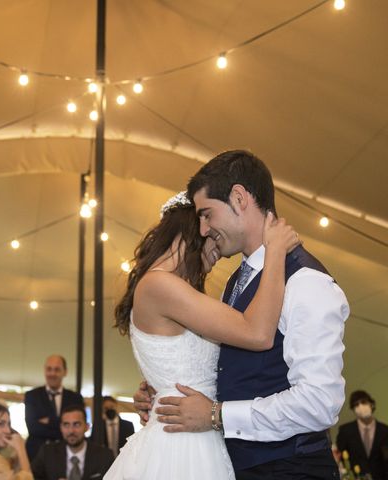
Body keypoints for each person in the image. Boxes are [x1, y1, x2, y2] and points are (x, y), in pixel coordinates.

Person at [133, 150, 349, 479]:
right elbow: (230, 367)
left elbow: (319, 402)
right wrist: (166, 390)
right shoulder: (235, 282)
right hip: (234, 465)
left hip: (292, 469)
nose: (203, 230)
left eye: (207, 214)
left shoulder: (306, 281)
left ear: (238, 198)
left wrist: (218, 415)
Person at [106, 183, 298, 479]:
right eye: (214, 238)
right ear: (195, 230)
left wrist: (156, 389)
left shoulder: (167, 287)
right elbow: (258, 333)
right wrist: (275, 253)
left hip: (194, 433)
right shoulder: (160, 285)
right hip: (182, 447)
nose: (218, 253)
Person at [25, 355, 84, 460]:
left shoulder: (75, 398)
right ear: (44, 370)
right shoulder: (32, 396)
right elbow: (33, 428)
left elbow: (78, 427)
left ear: (65, 372)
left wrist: (49, 421)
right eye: (49, 369)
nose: (52, 373)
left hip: (66, 455)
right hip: (36, 455)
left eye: (57, 369)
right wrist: (61, 424)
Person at [32, 404, 115, 480]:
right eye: (66, 425)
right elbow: (31, 477)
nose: (71, 431)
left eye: (76, 424)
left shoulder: (105, 456)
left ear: (87, 427)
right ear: (61, 427)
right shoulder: (47, 452)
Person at [336, 390, 388, 479]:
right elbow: (340, 458)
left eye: (363, 402)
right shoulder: (345, 431)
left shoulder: (385, 430)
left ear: (371, 404)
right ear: (353, 409)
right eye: (356, 405)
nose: (360, 406)